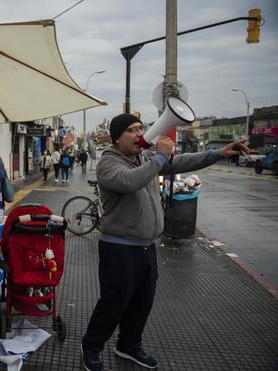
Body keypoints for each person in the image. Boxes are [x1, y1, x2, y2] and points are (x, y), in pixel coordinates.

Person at [80, 113, 249, 371]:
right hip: (119, 248)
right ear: (116, 137)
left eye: (141, 128)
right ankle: (91, 347)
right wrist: (159, 156)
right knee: (113, 304)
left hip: (146, 247)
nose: (140, 134)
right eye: (132, 130)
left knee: (142, 302)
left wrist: (218, 154)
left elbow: (179, 162)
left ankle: (128, 345)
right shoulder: (109, 162)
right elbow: (129, 182)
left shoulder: (145, 158)